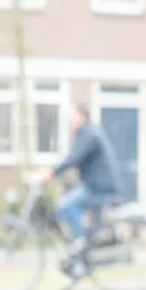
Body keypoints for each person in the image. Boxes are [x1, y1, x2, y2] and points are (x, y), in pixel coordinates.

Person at [42, 103, 123, 247]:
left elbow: (73, 158)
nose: (71, 120)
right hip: (97, 184)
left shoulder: (89, 134)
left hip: (99, 188)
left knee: (65, 206)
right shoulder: (88, 133)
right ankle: (84, 242)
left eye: (74, 116)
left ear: (82, 117)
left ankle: (81, 244)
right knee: (73, 202)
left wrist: (51, 172)